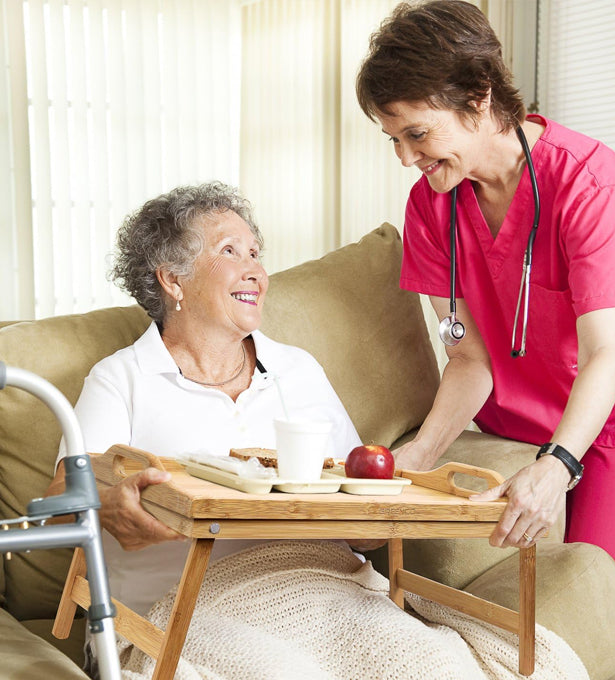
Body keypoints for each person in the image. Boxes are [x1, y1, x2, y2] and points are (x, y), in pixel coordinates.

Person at [45, 181, 586, 680]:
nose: (255, 269)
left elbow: (359, 500)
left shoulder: (296, 369)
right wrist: (107, 506)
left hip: (325, 587)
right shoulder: (123, 378)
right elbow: (57, 500)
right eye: (230, 252)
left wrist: (381, 517)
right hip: (187, 604)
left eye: (256, 252)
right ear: (172, 278)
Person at [355, 4, 615, 679]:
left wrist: (557, 465)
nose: (407, 159)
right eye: (393, 140)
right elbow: (469, 355)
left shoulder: (590, 184)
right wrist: (419, 452)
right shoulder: (431, 204)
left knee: (585, 580)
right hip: (520, 404)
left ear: (477, 99)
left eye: (417, 134)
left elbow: (606, 356)